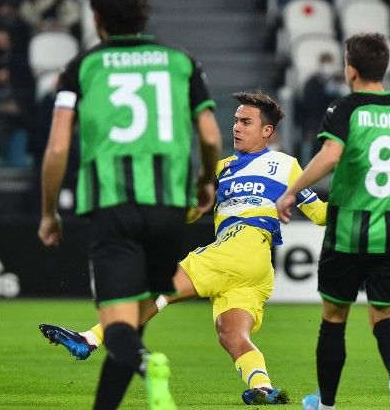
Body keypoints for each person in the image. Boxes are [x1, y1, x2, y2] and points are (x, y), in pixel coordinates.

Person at [40, 91, 329, 405]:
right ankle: (262, 387)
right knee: (232, 334)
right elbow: (192, 212)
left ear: (267, 131)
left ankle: (90, 339)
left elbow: (318, 213)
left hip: (243, 245)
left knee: (161, 288)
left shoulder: (286, 165)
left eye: (246, 122)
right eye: (235, 121)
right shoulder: (221, 169)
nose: (236, 127)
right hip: (251, 267)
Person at [37, 0, 222, 408]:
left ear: (98, 18)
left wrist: (49, 212)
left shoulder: (82, 66)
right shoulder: (181, 62)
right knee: (133, 324)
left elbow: (58, 148)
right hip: (168, 208)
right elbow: (210, 135)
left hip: (113, 207)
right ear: (143, 17)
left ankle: (146, 363)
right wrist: (205, 180)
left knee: (119, 328)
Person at [275, 33, 390, 410]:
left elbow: (331, 155)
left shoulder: (345, 109)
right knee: (383, 315)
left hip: (348, 232)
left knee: (334, 317)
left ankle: (327, 404)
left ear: (350, 69)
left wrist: (292, 190)